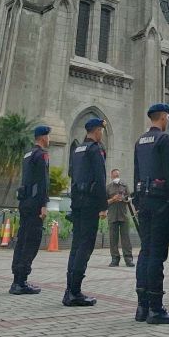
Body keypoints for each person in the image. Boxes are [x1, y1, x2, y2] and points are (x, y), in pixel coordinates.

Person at [132, 102, 169, 324]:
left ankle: (142, 307)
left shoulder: (140, 141)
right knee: (156, 254)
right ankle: (155, 308)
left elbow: (136, 173)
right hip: (161, 202)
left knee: (145, 251)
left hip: (143, 201)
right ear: (163, 117)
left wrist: (137, 201)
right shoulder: (164, 140)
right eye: (167, 117)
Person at [64, 116, 107, 306]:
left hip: (77, 203)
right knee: (85, 246)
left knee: (76, 246)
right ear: (97, 131)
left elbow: (72, 177)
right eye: (101, 131)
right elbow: (100, 178)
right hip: (90, 204)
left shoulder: (78, 150)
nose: (102, 134)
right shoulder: (95, 149)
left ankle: (69, 289)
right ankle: (75, 292)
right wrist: (103, 206)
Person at [10, 124, 51, 295]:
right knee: (32, 240)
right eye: (48, 136)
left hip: (25, 202)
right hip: (35, 204)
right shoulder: (42, 155)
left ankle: (17, 279)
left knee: (22, 240)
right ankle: (21, 281)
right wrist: (44, 204)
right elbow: (43, 181)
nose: (49, 139)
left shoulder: (27, 154)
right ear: (43, 137)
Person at [106, 168, 134, 267]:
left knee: (126, 238)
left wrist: (124, 199)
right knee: (113, 239)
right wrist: (113, 199)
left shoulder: (125, 186)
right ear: (111, 176)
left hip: (123, 215)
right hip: (112, 215)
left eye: (117, 175)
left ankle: (128, 259)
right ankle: (115, 259)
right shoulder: (108, 188)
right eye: (114, 176)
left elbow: (129, 198)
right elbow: (104, 202)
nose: (116, 177)